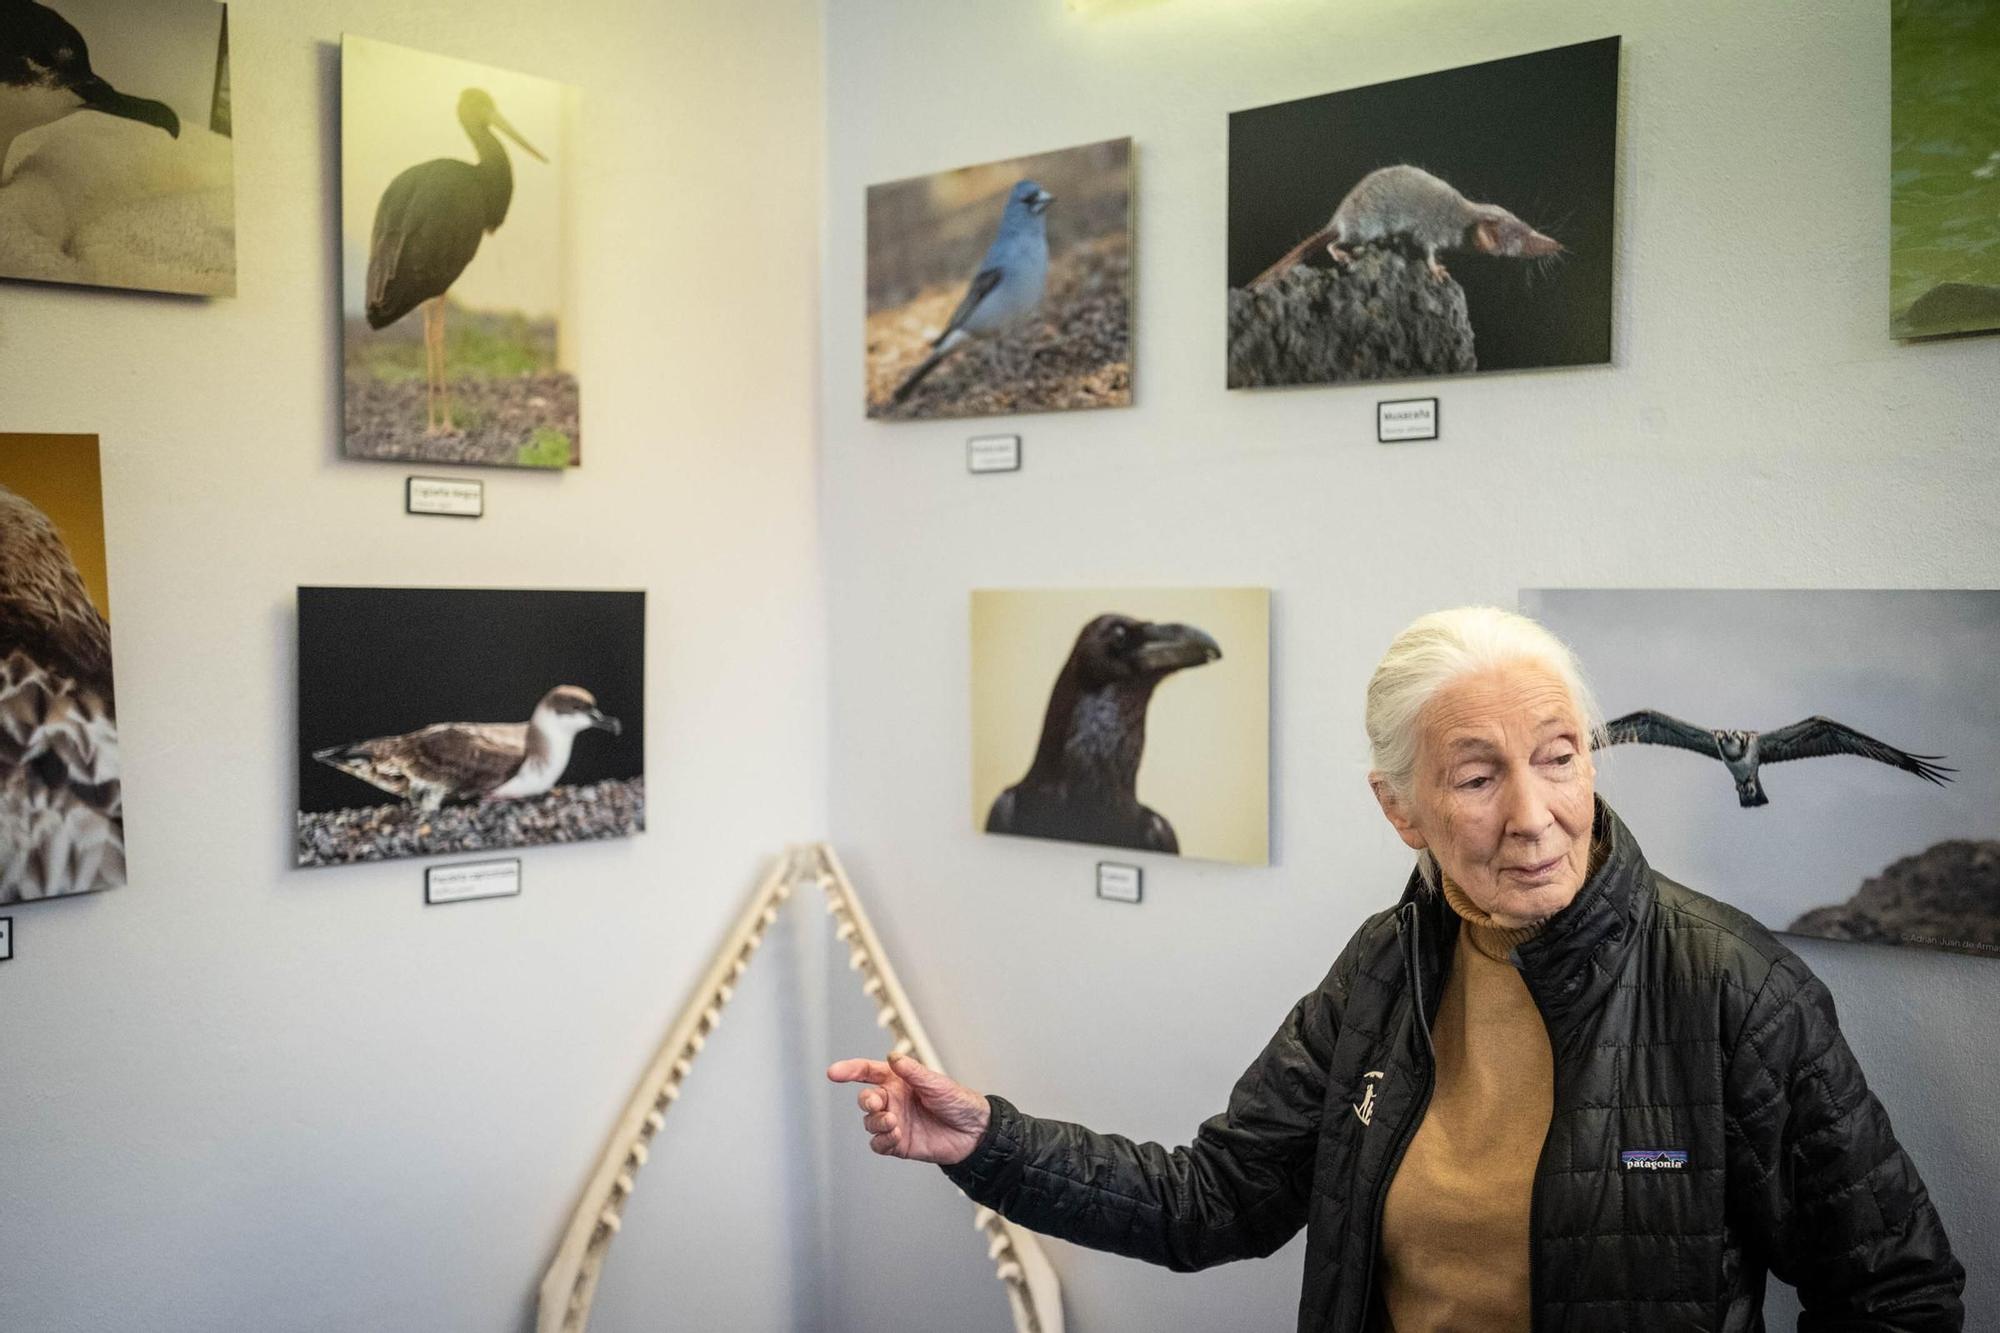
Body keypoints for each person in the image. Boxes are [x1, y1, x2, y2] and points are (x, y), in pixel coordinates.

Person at [828, 606, 1965, 1331]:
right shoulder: (1385, 971)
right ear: (1400, 810)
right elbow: (1212, 1202)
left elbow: (1895, 1294)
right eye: (1475, 777)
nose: (1533, 817)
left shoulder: (1732, 986)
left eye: (1557, 758)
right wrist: (986, 1140)